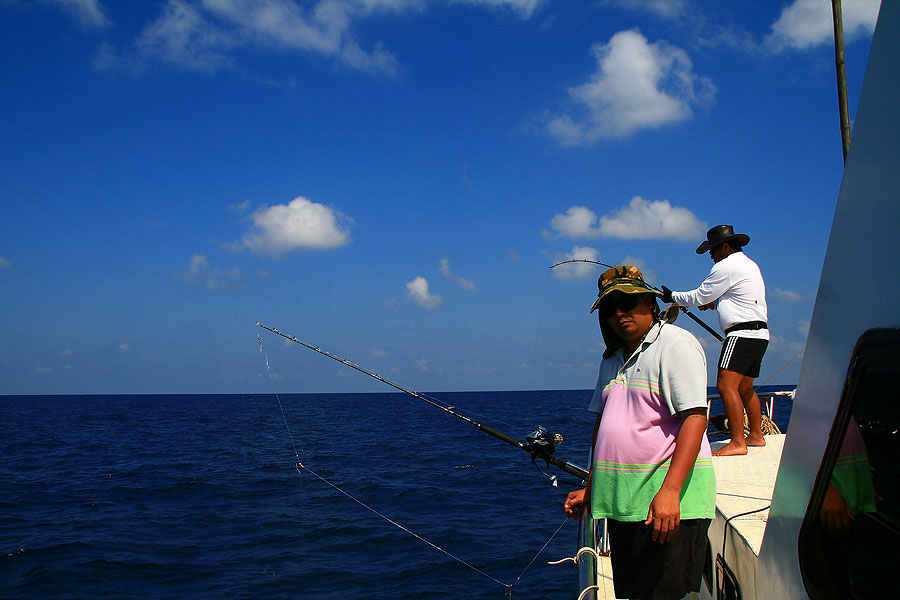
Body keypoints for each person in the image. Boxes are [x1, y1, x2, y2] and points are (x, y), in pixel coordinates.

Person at [564, 265, 716, 600]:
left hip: (665, 504)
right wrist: (591, 487)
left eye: (628, 303)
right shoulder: (612, 357)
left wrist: (670, 492)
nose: (619, 313)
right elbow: (604, 425)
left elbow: (695, 419)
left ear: (651, 304)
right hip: (623, 504)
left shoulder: (675, 344)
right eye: (610, 308)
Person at [661, 225, 769, 457]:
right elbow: (738, 296)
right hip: (759, 334)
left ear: (726, 246)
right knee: (745, 387)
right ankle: (756, 436)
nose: (711, 254)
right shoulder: (749, 264)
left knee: (726, 385)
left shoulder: (725, 266)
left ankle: (738, 442)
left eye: (713, 249)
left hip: (740, 334)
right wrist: (716, 302)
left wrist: (672, 297)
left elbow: (700, 295)